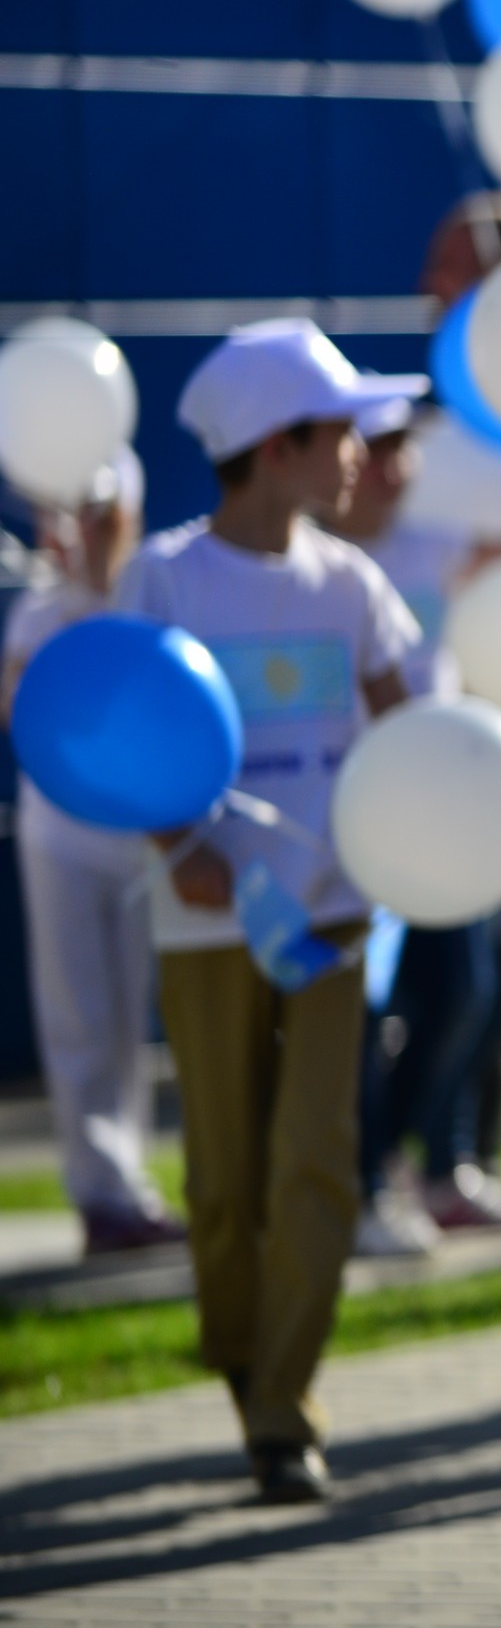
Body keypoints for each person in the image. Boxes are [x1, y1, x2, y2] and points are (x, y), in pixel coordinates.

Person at [120, 319, 428, 1503]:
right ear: (278, 443)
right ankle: (248, 1370)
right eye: (341, 431)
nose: (362, 452)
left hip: (332, 919)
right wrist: (175, 843)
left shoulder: (353, 583)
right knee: (223, 1179)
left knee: (319, 1161)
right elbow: (120, 730)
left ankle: (284, 1407)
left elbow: (409, 742)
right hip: (206, 922)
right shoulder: (164, 575)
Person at [329, 396, 501, 1256]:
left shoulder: (436, 548)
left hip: (450, 819)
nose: (396, 472)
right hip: (353, 823)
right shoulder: (321, 569)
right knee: (364, 1016)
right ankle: (366, 1183)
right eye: (378, 452)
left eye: (405, 452)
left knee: (466, 995)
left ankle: (399, 1160)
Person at [2, 451, 182, 1257]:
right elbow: (18, 714)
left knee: (127, 1020)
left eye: (106, 516)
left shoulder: (152, 598)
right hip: (62, 840)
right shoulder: (40, 614)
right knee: (79, 1016)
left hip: (141, 839)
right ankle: (100, 1193)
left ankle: (128, 1184)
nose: (91, 534)